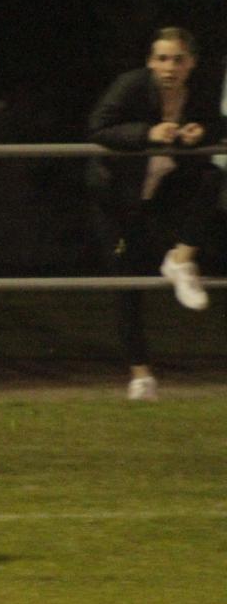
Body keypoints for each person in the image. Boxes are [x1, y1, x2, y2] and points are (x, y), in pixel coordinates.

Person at [87, 26, 223, 401]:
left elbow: (218, 124)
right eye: (162, 59)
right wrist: (148, 133)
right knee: (127, 283)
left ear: (191, 63)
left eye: (178, 60)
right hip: (118, 198)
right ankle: (141, 376)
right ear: (150, 61)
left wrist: (201, 132)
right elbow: (98, 127)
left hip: (164, 192)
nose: (169, 68)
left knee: (212, 177)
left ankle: (180, 260)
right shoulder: (131, 85)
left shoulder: (199, 90)